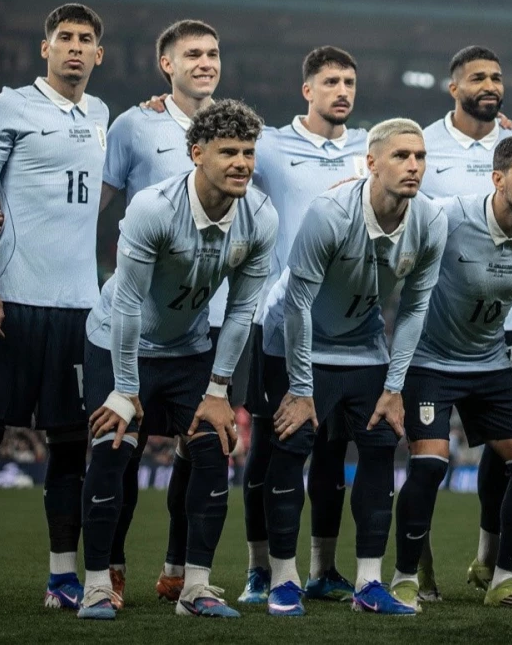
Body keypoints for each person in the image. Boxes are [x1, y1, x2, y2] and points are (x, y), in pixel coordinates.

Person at [76, 99, 276, 620]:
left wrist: (218, 391)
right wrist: (123, 388)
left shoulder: (260, 216)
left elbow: (241, 312)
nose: (241, 163)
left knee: (213, 450)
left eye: (248, 152)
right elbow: (125, 304)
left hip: (189, 349)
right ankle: (97, 584)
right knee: (113, 449)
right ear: (196, 153)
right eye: (228, 151)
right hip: (119, 343)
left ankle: (195, 588)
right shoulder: (152, 208)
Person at [0, 3, 109, 616]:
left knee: (70, 447)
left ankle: (62, 577)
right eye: (63, 37)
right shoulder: (9, 104)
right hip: (11, 299)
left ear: (99, 55)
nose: (73, 47)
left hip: (78, 309)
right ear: (46, 48)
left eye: (84, 39)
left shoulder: (101, 115)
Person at [258, 118, 447, 616]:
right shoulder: (329, 213)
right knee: (291, 444)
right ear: (371, 163)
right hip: (295, 338)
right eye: (402, 155)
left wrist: (395, 386)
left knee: (381, 443)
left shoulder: (430, 220)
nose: (414, 166)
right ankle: (283, 579)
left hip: (363, 344)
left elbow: (413, 309)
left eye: (421, 156)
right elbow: (297, 304)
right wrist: (301, 389)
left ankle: (368, 584)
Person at [389, 135, 512, 612]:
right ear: (498, 179)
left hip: (488, 363)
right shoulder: (447, 215)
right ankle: (406, 576)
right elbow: (392, 220)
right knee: (430, 464)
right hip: (430, 362)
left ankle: (501, 578)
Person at [238, 46, 370, 605]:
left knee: (333, 451)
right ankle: (260, 570)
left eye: (350, 82)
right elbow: (207, 159)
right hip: (277, 320)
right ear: (307, 91)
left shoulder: (371, 149)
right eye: (331, 81)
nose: (343, 90)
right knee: (269, 446)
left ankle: (322, 569)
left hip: (345, 327)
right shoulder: (268, 145)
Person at [99, 18, 222, 608]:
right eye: (192, 54)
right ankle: (112, 567)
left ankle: (179, 569)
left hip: (212, 320)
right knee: (120, 453)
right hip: (139, 320)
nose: (205, 62)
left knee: (201, 452)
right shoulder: (133, 125)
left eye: (213, 53)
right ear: (165, 65)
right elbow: (96, 209)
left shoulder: (237, 128)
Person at [416, 45, 512, 598]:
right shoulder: (423, 146)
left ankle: (487, 560)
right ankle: (421, 565)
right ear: (452, 86)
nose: (490, 84)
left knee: (504, 452)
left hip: (505, 320)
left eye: (497, 76)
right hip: (435, 323)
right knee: (427, 455)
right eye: (478, 76)